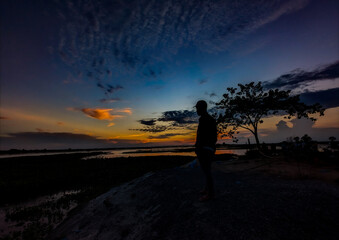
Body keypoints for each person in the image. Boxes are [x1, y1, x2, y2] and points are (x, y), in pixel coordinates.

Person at [195, 100, 217, 201]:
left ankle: (210, 194)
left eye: (197, 108)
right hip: (209, 148)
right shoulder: (211, 119)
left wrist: (199, 148)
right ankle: (206, 189)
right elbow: (214, 137)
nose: (196, 110)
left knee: (207, 171)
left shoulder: (204, 119)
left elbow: (201, 137)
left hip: (204, 149)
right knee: (206, 170)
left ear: (202, 108)